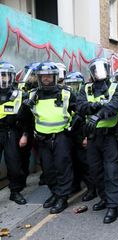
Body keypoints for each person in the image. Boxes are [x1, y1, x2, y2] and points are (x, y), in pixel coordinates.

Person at [77, 58, 118, 224]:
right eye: (95, 70)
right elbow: (80, 106)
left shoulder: (117, 87)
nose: (99, 72)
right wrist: (95, 106)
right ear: (91, 73)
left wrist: (97, 115)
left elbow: (115, 105)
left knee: (111, 171)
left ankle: (113, 205)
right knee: (96, 171)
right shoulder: (86, 88)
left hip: (109, 136)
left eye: (102, 69)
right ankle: (104, 198)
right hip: (92, 137)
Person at [23, 61, 75, 214]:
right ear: (38, 78)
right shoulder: (32, 95)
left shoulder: (66, 93)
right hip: (42, 139)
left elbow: (79, 112)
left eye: (49, 76)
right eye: (42, 76)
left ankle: (62, 198)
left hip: (61, 137)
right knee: (48, 170)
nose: (46, 79)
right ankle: (55, 193)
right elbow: (26, 118)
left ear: (55, 77)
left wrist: (72, 129)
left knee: (62, 167)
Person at [0, 61, 29, 205]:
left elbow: (25, 118)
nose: (4, 79)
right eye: (1, 76)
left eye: (6, 76)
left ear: (12, 78)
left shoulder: (18, 94)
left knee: (14, 164)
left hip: (11, 132)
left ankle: (15, 192)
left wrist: (24, 134)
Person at [65, 72, 97, 201]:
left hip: (82, 134)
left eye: (75, 85)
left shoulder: (84, 98)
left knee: (85, 163)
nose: (72, 88)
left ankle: (92, 189)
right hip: (69, 135)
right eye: (69, 85)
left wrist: (87, 137)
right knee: (72, 162)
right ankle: (75, 185)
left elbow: (88, 120)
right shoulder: (66, 98)